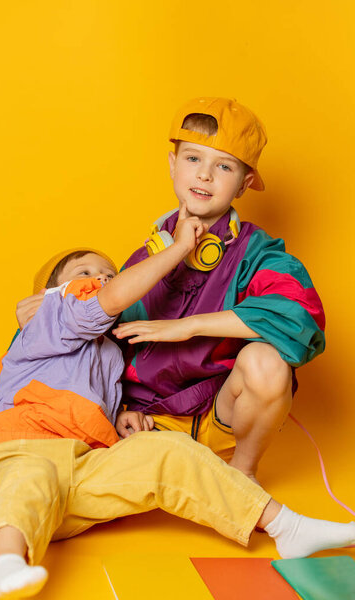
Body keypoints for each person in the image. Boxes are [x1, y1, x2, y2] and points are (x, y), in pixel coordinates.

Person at [0, 219, 354, 600]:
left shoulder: (110, 355)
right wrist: (181, 247)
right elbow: (106, 301)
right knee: (33, 471)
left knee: (168, 451)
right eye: (85, 272)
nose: (103, 278)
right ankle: (5, 563)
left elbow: (77, 401)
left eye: (110, 273)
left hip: (71, 484)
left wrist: (117, 417)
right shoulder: (49, 319)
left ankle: (288, 527)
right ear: (48, 295)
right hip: (0, 467)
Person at [109, 97, 326, 483]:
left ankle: (242, 476)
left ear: (243, 185)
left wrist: (190, 326)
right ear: (173, 165)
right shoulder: (143, 259)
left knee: (267, 361)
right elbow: (95, 331)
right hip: (145, 425)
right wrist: (119, 409)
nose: (205, 175)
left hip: (220, 419)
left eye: (223, 166)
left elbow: (301, 317)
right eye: (193, 159)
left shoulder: (258, 253)